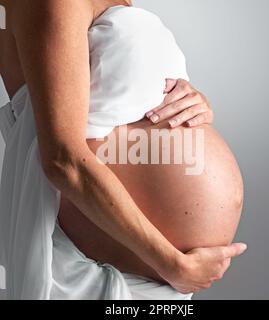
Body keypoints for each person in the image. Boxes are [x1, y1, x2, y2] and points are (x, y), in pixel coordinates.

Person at [0, 0, 247, 300]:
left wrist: (194, 101)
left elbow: (126, 97)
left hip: (156, 275)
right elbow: (64, 160)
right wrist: (172, 264)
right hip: (110, 271)